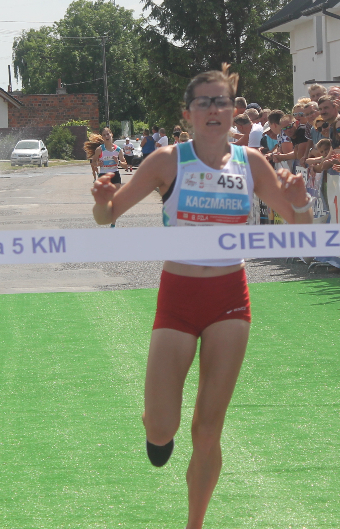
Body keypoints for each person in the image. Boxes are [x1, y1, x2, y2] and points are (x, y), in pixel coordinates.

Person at [90, 66, 311, 529]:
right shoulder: (166, 161)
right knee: (161, 429)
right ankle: (157, 428)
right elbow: (107, 216)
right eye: (204, 102)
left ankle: (195, 523)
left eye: (222, 101)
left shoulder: (251, 162)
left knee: (208, 430)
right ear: (187, 112)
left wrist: (300, 201)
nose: (214, 109)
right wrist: (101, 198)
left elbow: (301, 230)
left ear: (233, 110)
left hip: (230, 297)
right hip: (178, 296)